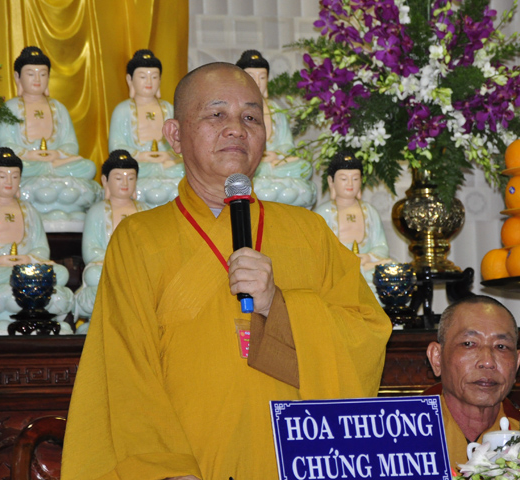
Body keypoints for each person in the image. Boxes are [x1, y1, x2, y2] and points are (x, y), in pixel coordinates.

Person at [62, 62, 393, 479]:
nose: (236, 128)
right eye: (216, 114)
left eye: (251, 118)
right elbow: (125, 371)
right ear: (175, 135)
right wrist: (170, 470)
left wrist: (280, 306)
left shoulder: (309, 231)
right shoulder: (139, 238)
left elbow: (366, 337)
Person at [0, 147, 74, 335]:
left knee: (60, 273)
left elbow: (42, 250)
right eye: (2, 176)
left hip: (27, 272)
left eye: (15, 176)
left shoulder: (30, 211)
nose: (9, 181)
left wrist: (27, 259)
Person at [0, 46, 100, 230]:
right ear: (18, 78)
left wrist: (56, 155)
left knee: (88, 167)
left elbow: (71, 145)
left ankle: (53, 189)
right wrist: (31, 155)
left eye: (43, 74)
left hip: (57, 164)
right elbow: (4, 146)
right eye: (31, 74)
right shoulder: (9, 108)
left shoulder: (58, 108)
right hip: (28, 166)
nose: (37, 79)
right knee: (10, 173)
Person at [425, 295, 520, 470]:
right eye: (469, 344)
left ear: (516, 364)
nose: (487, 362)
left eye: (501, 346)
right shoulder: (405, 442)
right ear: (437, 358)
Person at [73, 150, 149, 326]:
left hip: (138, 268)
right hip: (107, 268)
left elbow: (153, 247)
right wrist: (119, 259)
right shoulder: (96, 211)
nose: (125, 183)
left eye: (131, 178)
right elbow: (90, 252)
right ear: (105, 181)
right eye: (119, 178)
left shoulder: (146, 210)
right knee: (94, 275)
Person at [235, 50, 317, 208]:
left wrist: (276, 154)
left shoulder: (276, 110)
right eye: (251, 77)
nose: (258, 82)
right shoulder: (235, 109)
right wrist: (259, 158)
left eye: (262, 77)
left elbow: (287, 145)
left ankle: (267, 176)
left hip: (275, 163)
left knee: (304, 167)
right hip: (249, 165)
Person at [108, 49, 185, 209]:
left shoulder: (169, 109)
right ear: (130, 79)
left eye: (154, 77)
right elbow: (115, 147)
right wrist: (141, 155)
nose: (149, 81)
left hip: (168, 164)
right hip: (140, 167)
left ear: (160, 80)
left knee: (186, 169)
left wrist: (168, 155)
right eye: (143, 77)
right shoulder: (122, 110)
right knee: (124, 174)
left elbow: (182, 143)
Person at [314, 151, 392, 297]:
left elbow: (382, 247)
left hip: (366, 267)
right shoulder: (323, 213)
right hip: (337, 269)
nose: (350, 184)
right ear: (331, 181)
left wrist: (368, 257)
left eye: (355, 179)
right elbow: (317, 251)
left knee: (391, 267)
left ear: (361, 181)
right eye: (344, 179)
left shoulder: (370, 212)